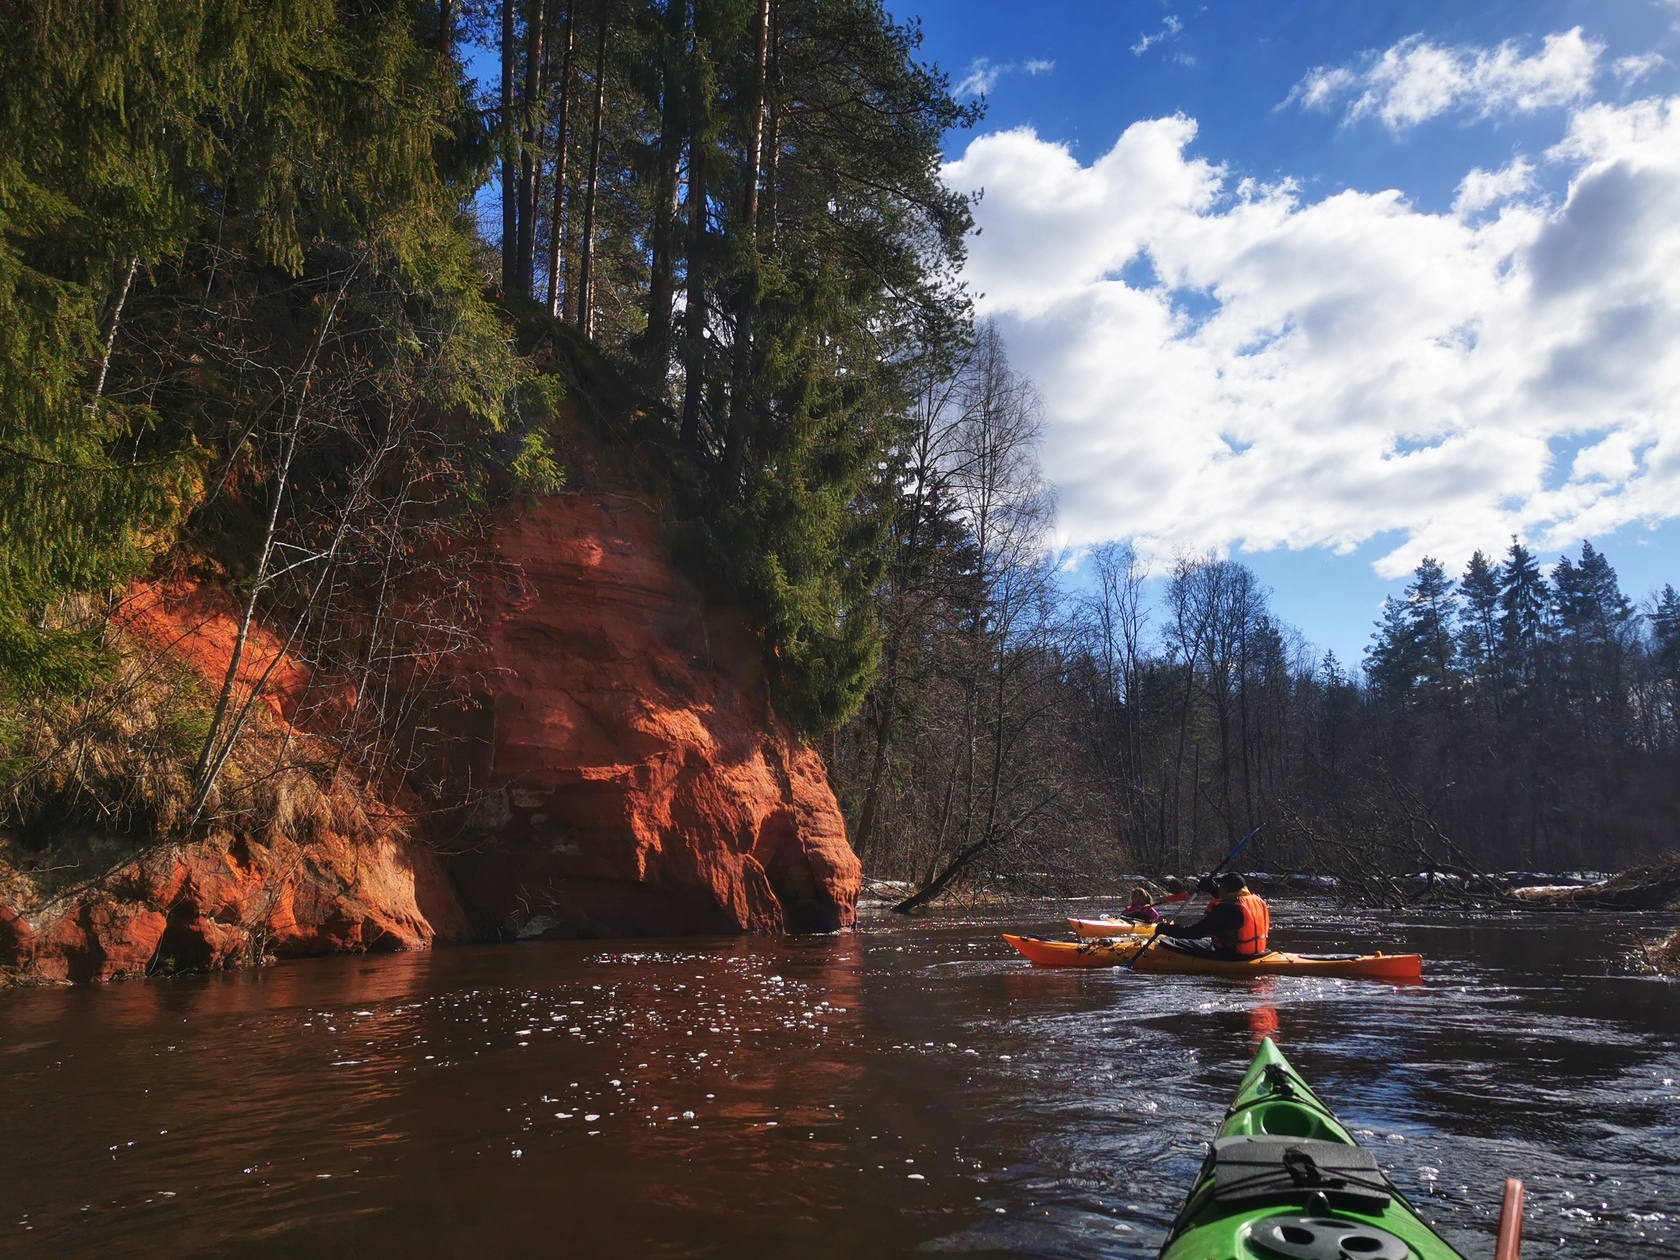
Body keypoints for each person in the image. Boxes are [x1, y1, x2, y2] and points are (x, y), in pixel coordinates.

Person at [1156, 871, 1271, 959]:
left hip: (1232, 956)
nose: (1219, 888)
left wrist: (1166, 930)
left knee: (1169, 942)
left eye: (1221, 886)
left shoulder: (1225, 910)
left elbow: (1195, 932)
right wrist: (1211, 889)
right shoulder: (1256, 901)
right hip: (1258, 952)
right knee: (1206, 942)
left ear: (1226, 888)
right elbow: (1231, 902)